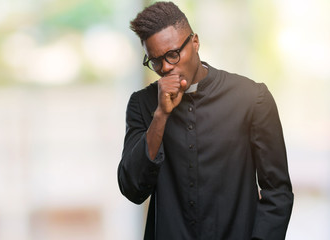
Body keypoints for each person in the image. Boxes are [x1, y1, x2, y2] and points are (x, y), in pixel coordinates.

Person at [117, 2, 293, 240]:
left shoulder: (253, 98)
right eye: (155, 61)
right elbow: (133, 189)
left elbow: (278, 191)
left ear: (195, 42)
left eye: (173, 54)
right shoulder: (142, 105)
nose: (166, 67)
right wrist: (160, 116)